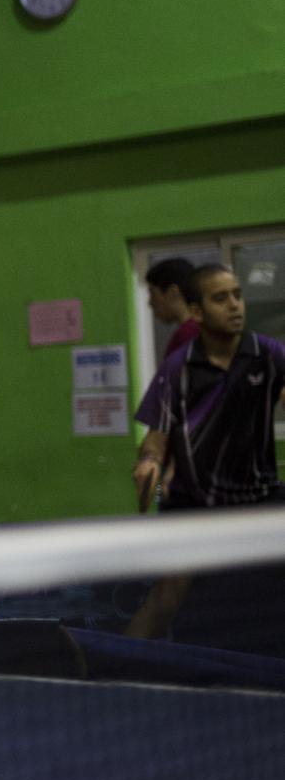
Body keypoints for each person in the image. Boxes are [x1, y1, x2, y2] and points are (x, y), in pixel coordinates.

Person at [126, 263, 285, 637]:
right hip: (194, 503)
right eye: (220, 298)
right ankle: (112, 672)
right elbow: (156, 437)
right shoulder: (177, 370)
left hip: (258, 496)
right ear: (196, 311)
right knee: (169, 593)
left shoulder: (268, 354)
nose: (234, 306)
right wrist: (149, 462)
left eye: (237, 295)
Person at [143, 257, 200, 361]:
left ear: (173, 292)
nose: (150, 302)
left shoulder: (187, 336)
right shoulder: (202, 330)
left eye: (153, 294)